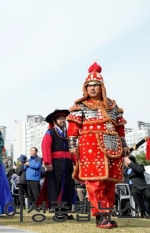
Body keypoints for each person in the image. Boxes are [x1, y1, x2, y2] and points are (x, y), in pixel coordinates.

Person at [67, 62, 130, 229]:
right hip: (90, 148)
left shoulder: (113, 106)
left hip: (112, 147)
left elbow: (120, 128)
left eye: (96, 85)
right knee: (95, 183)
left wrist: (124, 145)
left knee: (109, 183)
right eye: (89, 86)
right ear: (85, 88)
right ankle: (100, 216)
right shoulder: (80, 106)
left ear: (102, 87)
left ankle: (107, 214)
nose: (93, 89)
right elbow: (73, 129)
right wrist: (73, 147)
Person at [37, 109, 75, 220]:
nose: (62, 120)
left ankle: (65, 211)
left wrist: (76, 162)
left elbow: (72, 149)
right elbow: (45, 147)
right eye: (59, 118)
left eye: (63, 118)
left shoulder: (68, 134)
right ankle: (58, 211)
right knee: (57, 187)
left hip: (67, 164)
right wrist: (47, 162)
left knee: (68, 187)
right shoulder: (50, 132)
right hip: (55, 164)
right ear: (54, 121)